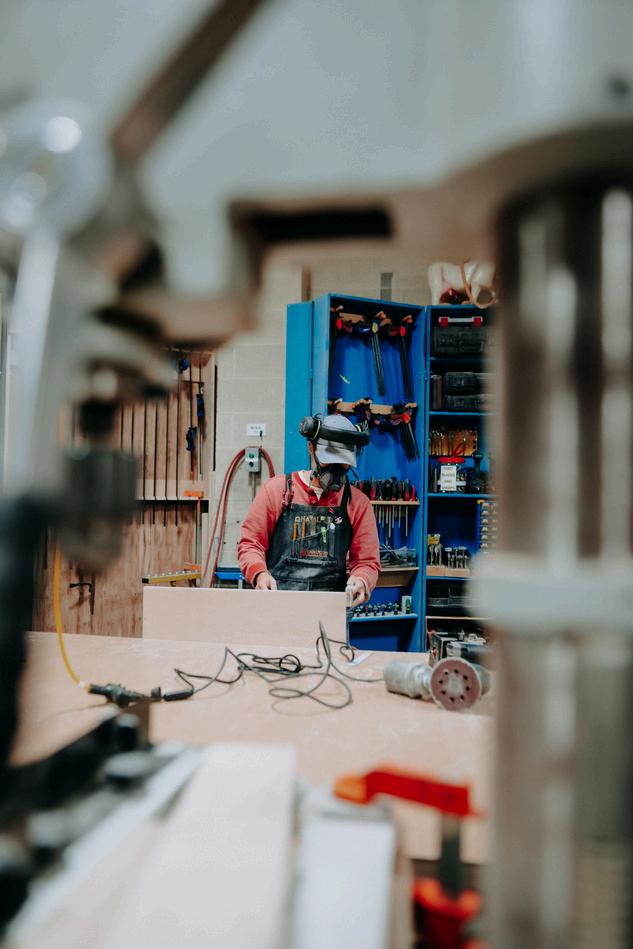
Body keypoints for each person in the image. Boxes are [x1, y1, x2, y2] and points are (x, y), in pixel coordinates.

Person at [237, 415, 380, 605]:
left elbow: (367, 561)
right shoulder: (276, 491)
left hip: (330, 608)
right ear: (311, 448)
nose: (336, 470)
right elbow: (251, 544)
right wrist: (259, 574)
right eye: (329, 461)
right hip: (277, 603)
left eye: (343, 463)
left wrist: (362, 579)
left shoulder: (358, 503)